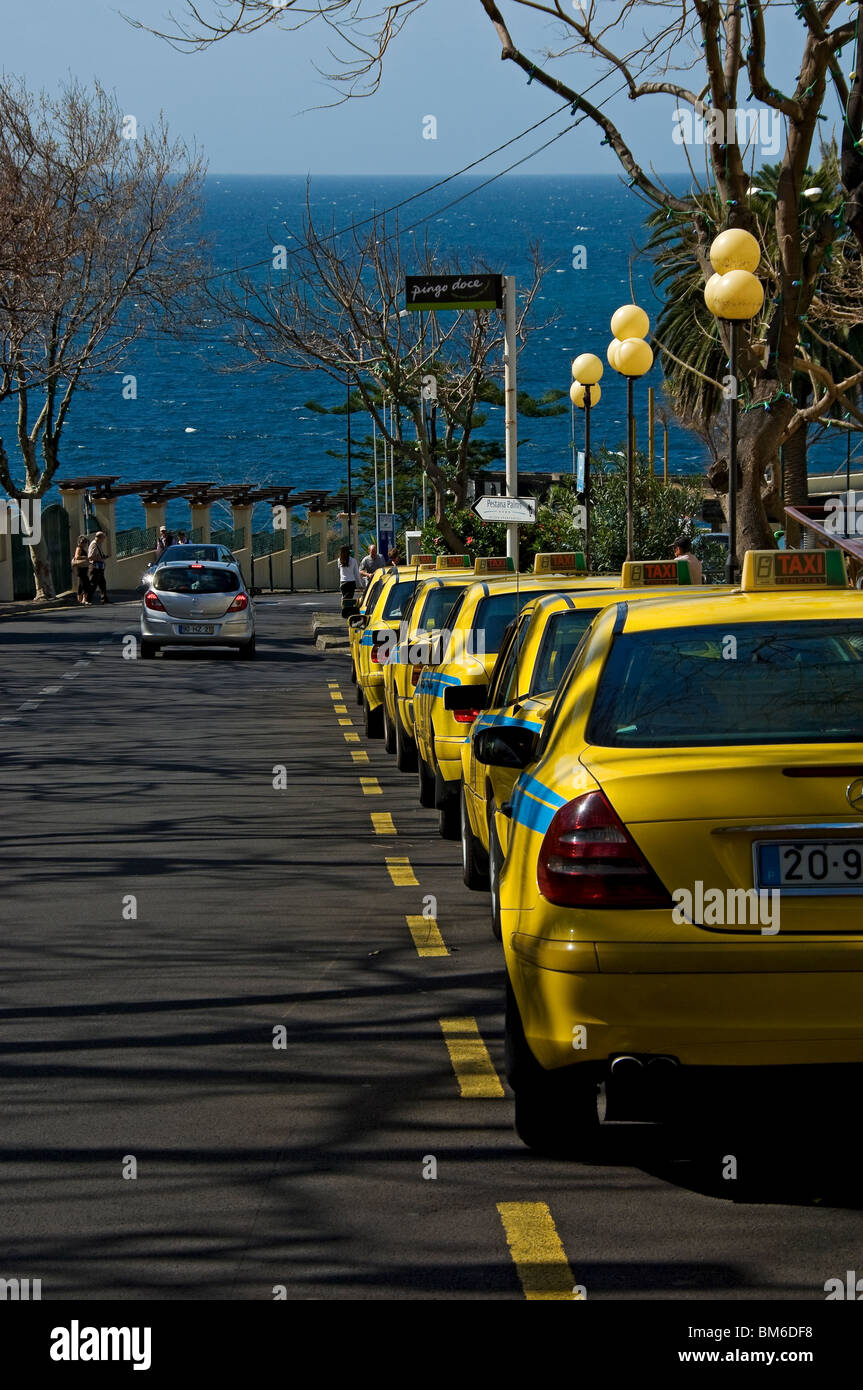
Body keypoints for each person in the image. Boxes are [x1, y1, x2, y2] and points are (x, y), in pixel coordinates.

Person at [87, 530, 110, 603]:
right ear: (100, 537)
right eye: (103, 537)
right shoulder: (94, 544)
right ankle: (88, 599)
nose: (104, 539)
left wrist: (103, 557)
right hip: (95, 566)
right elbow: (90, 556)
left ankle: (104, 598)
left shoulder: (98, 544)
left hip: (99, 567)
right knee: (93, 583)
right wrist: (100, 558)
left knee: (102, 583)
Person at [72, 535, 92, 604]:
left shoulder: (81, 548)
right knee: (85, 584)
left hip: (83, 569)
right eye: (85, 542)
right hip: (81, 569)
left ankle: (79, 600)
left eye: (86, 542)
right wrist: (85, 557)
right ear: (81, 542)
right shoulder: (79, 548)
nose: (86, 544)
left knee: (81, 584)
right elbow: (77, 556)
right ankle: (84, 599)